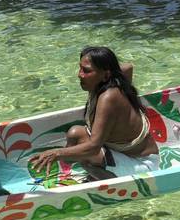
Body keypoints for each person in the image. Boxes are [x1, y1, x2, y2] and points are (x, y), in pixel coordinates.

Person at [27, 47, 159, 179]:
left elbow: (94, 148)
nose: (80, 74)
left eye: (87, 70)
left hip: (143, 165)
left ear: (106, 75)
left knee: (86, 156)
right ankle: (103, 170)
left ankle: (108, 185)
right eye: (80, 68)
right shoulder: (108, 81)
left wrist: (56, 153)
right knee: (75, 133)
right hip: (122, 154)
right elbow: (128, 67)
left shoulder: (108, 98)